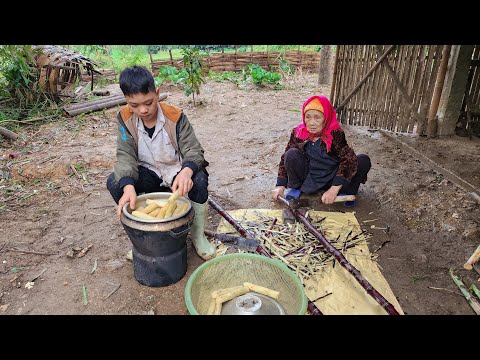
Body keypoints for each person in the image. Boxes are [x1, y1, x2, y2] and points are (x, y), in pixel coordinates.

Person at [106, 65, 215, 261]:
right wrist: (128, 185)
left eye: (148, 102)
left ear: (157, 93)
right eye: (134, 105)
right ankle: (143, 240)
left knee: (198, 179)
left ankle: (197, 236)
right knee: (116, 183)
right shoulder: (124, 119)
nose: (143, 110)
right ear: (126, 101)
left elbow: (193, 149)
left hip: (176, 171)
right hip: (149, 173)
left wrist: (187, 171)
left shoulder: (175, 116)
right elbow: (125, 154)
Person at [271, 95, 371, 205]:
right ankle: (297, 188)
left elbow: (348, 160)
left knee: (362, 160)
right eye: (308, 117)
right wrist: (280, 185)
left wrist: (334, 189)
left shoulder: (335, 134)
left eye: (317, 117)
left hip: (331, 178)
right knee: (291, 154)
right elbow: (284, 158)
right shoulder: (298, 133)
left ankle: (345, 192)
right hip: (309, 177)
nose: (311, 122)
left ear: (326, 118)